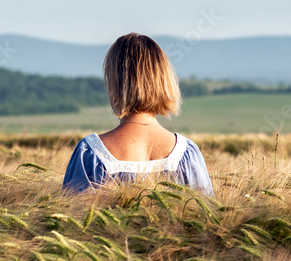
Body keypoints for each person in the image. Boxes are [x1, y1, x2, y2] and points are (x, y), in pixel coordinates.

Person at [62, 33, 214, 196]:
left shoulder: (90, 153)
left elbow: (72, 215)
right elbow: (207, 215)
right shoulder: (187, 154)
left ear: (115, 82)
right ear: (162, 80)